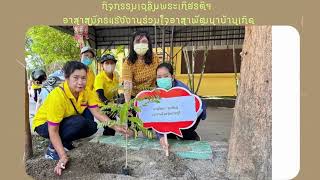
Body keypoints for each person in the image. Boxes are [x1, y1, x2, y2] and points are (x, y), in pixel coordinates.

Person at [32, 61, 132, 176]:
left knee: (92, 126)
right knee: (78, 122)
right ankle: (52, 150)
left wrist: (116, 126)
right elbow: (53, 130)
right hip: (44, 125)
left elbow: (98, 113)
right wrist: (63, 156)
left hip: (64, 122)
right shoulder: (57, 96)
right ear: (67, 78)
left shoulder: (87, 92)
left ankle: (66, 143)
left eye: (83, 78)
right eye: (76, 78)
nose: (80, 82)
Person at [154, 62, 207, 152]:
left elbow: (187, 113)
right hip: (173, 113)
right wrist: (161, 137)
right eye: (159, 77)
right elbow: (157, 116)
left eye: (166, 76)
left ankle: (194, 138)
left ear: (172, 77)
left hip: (193, 113)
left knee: (183, 132)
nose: (162, 79)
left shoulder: (181, 90)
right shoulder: (156, 92)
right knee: (169, 134)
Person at [122, 30, 160, 103]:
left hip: (152, 96)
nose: (141, 44)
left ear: (148, 44)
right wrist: (128, 105)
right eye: (137, 42)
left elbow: (159, 76)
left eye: (144, 42)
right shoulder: (128, 62)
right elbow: (127, 84)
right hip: (135, 98)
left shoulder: (154, 58)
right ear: (132, 45)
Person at [94, 54, 120, 136]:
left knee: (127, 114)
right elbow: (100, 96)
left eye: (112, 63)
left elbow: (116, 92)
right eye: (107, 63)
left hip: (111, 103)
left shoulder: (116, 75)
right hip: (101, 104)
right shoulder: (99, 77)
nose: (110, 65)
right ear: (102, 65)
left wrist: (118, 101)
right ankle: (106, 141)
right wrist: (112, 105)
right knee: (110, 125)